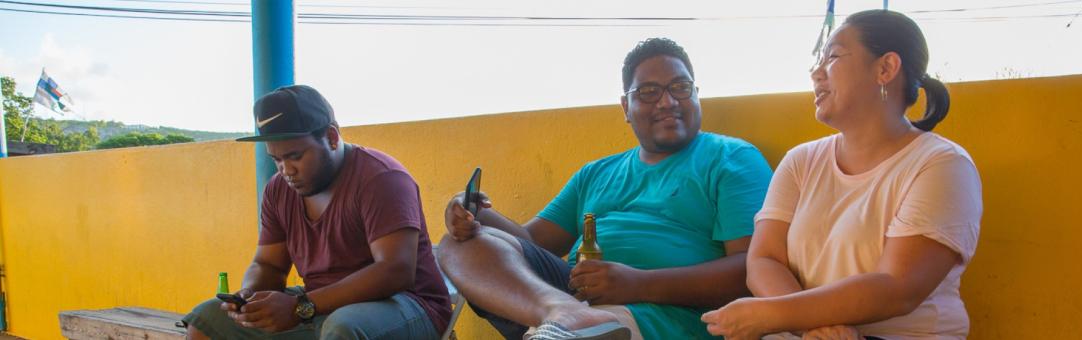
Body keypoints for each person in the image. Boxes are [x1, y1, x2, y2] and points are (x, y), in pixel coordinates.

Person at [437, 38, 773, 340]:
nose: (668, 102)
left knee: (595, 325)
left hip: (663, 314)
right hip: (571, 300)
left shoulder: (731, 158)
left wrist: (638, 283)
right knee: (459, 246)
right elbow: (531, 245)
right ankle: (566, 317)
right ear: (626, 108)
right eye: (649, 92)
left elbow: (750, 270)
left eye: (680, 87)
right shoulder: (596, 173)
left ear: (696, 94)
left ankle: (573, 325)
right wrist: (478, 215)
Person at [702, 10, 983, 340]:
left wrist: (771, 315)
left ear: (886, 68)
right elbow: (764, 259)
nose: (816, 74)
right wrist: (813, 328)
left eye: (832, 57)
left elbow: (899, 286)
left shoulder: (941, 164)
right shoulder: (801, 161)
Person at [183, 85, 451, 340]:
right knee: (207, 320)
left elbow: (395, 271)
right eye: (276, 159)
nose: (286, 170)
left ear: (332, 137)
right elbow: (269, 265)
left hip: (408, 307)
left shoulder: (381, 178)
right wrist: (250, 297)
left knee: (343, 326)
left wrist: (301, 307)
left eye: (295, 156)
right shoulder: (278, 190)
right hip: (319, 307)